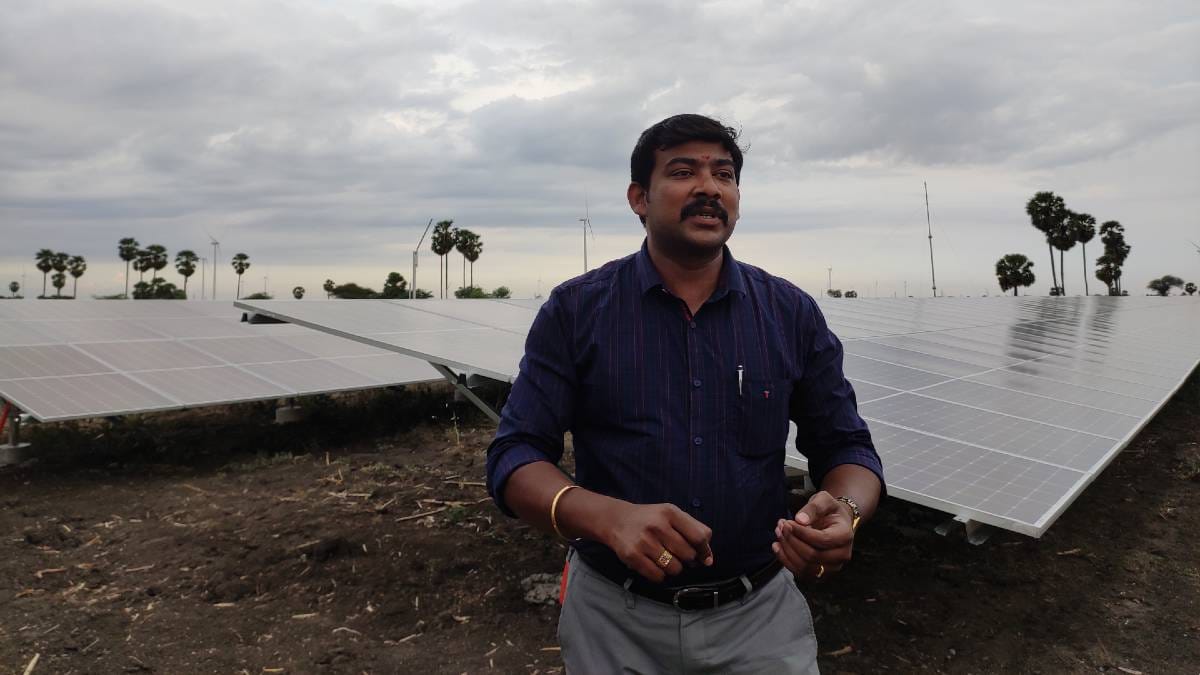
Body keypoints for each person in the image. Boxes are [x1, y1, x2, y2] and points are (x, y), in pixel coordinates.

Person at [486, 113, 884, 674]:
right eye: (683, 171)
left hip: (760, 618)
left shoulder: (789, 313)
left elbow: (847, 448)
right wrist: (606, 517)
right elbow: (515, 455)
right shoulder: (577, 311)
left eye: (724, 174)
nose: (708, 187)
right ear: (639, 198)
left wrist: (844, 511)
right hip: (613, 621)